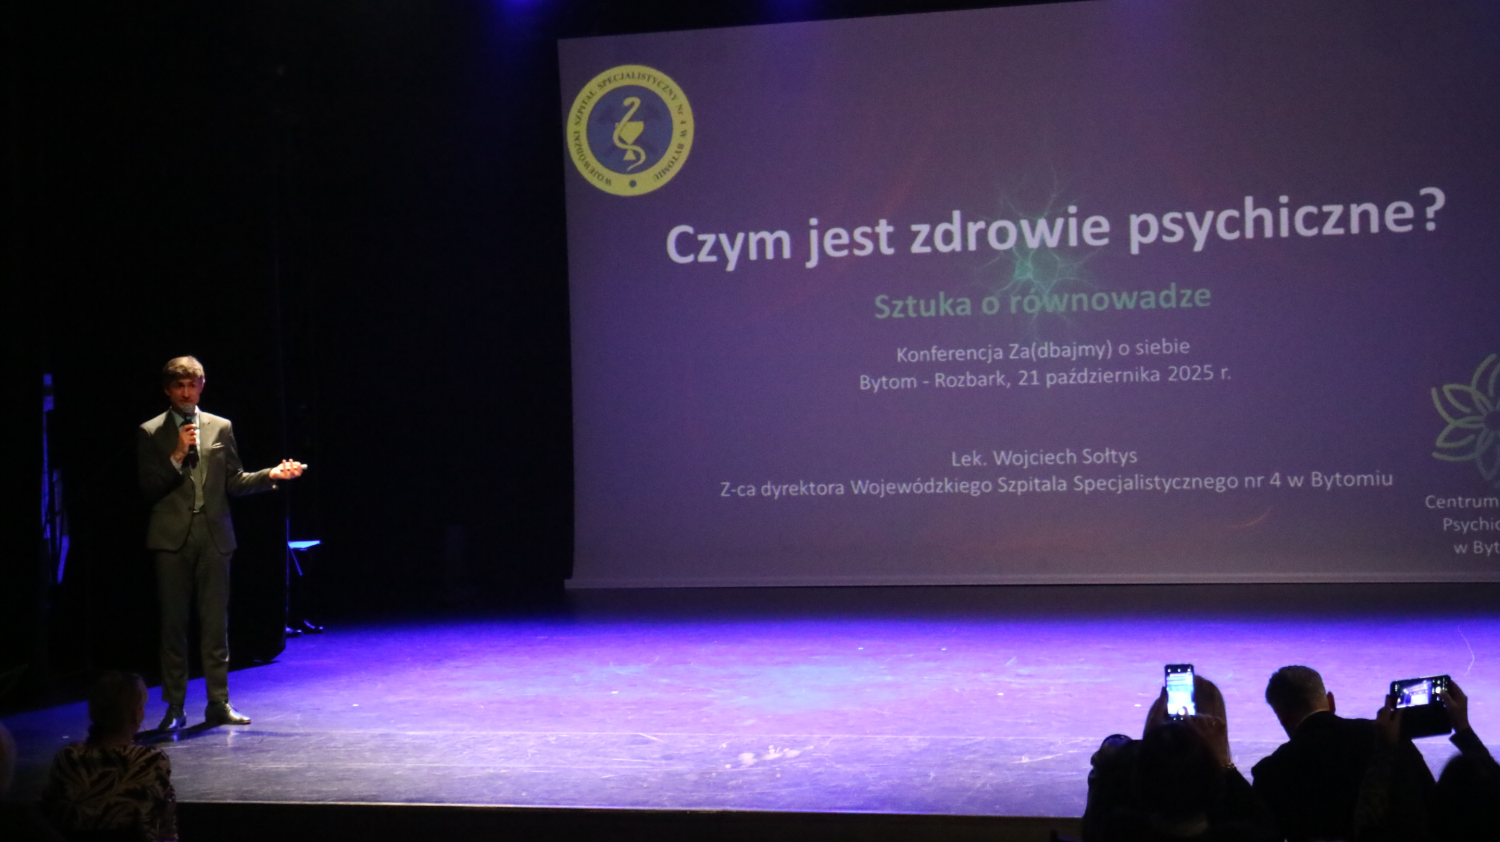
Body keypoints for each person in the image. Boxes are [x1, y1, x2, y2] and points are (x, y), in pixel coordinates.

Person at [138, 356, 305, 729]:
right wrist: (177, 454)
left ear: (202, 386)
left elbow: (235, 481)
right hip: (171, 540)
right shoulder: (150, 431)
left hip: (214, 536)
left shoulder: (220, 426)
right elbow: (149, 489)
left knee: (215, 625)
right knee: (174, 627)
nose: (186, 393)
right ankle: (175, 708)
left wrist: (272, 474)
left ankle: (218, 703)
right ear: (168, 390)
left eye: (192, 385)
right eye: (179, 386)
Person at [1251, 665, 1433, 841]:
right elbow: (1433, 802)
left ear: (1281, 715)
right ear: (1331, 701)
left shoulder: (1270, 772)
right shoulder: (1388, 737)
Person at [1084, 675, 1276, 841]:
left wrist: (1149, 746)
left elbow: (1098, 818)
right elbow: (1265, 827)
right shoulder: (1238, 831)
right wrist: (1224, 763)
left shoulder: (1119, 829)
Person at [40, 671, 177, 841]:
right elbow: (166, 829)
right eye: (141, 707)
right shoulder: (150, 761)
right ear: (135, 715)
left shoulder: (68, 758)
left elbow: (50, 815)